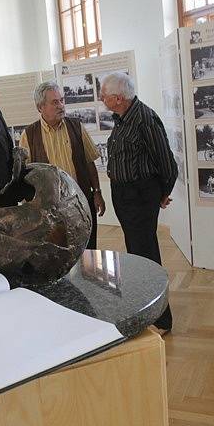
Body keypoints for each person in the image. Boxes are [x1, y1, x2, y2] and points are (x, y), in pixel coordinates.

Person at [100, 72, 177, 335]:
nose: (101, 98)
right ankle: (146, 309)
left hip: (140, 195)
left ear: (118, 98)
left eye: (104, 94)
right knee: (136, 252)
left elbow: (166, 161)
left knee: (146, 255)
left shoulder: (144, 118)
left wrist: (163, 192)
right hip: (125, 195)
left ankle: (162, 319)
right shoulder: (122, 118)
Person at [19, 82, 106, 250]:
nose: (61, 106)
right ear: (40, 107)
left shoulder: (76, 127)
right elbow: (25, 175)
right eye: (55, 102)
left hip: (81, 203)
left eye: (62, 100)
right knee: (58, 251)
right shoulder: (29, 135)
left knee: (88, 249)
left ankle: (88, 276)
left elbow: (89, 162)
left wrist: (97, 193)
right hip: (51, 209)